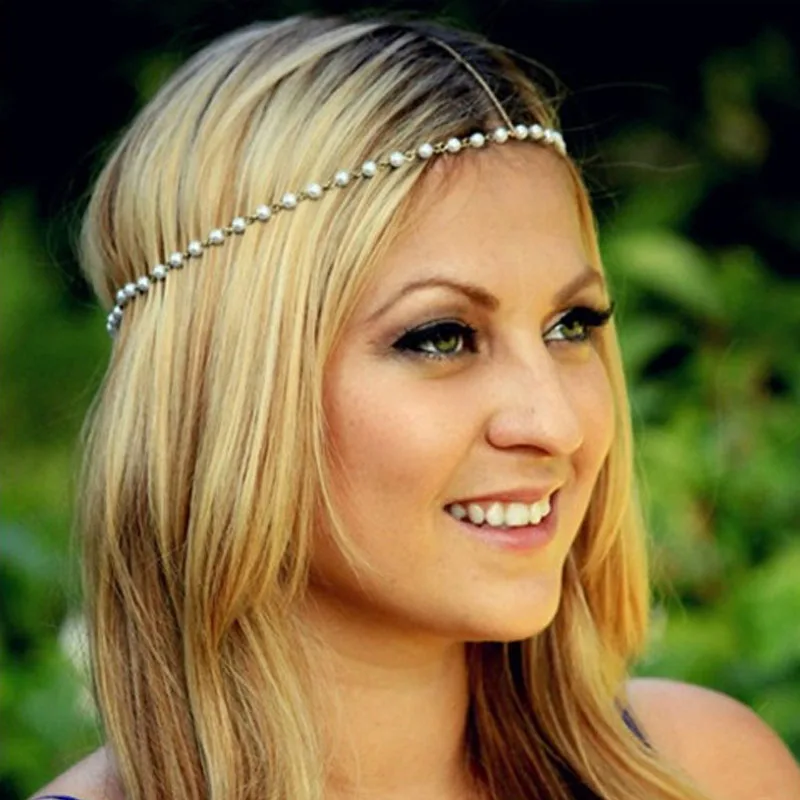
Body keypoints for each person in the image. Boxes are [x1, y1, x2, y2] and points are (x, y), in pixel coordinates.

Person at [33, 14, 800, 800]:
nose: (556, 424)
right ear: (225, 391)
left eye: (571, 326)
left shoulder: (711, 774)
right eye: (442, 337)